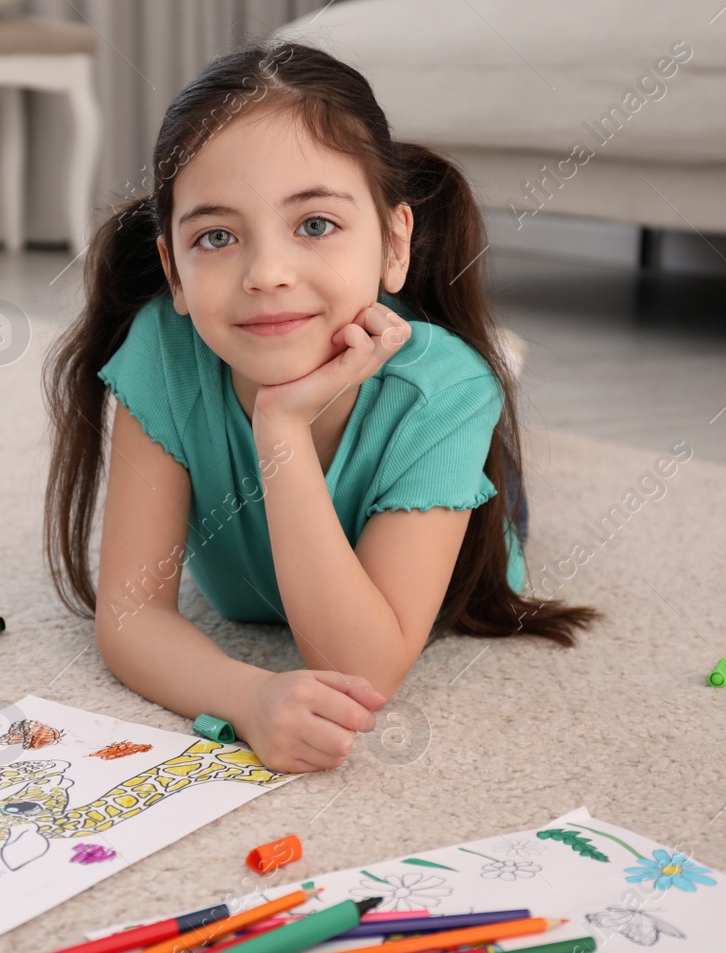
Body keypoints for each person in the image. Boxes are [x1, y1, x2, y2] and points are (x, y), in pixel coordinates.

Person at [43, 41, 599, 773]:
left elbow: (361, 669)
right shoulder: (166, 346)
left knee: (469, 390)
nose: (267, 274)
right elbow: (129, 614)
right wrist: (247, 696)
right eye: (217, 236)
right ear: (173, 271)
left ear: (396, 242)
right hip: (347, 377)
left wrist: (279, 422)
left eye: (314, 224)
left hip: (432, 432)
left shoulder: (447, 392)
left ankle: (477, 363)